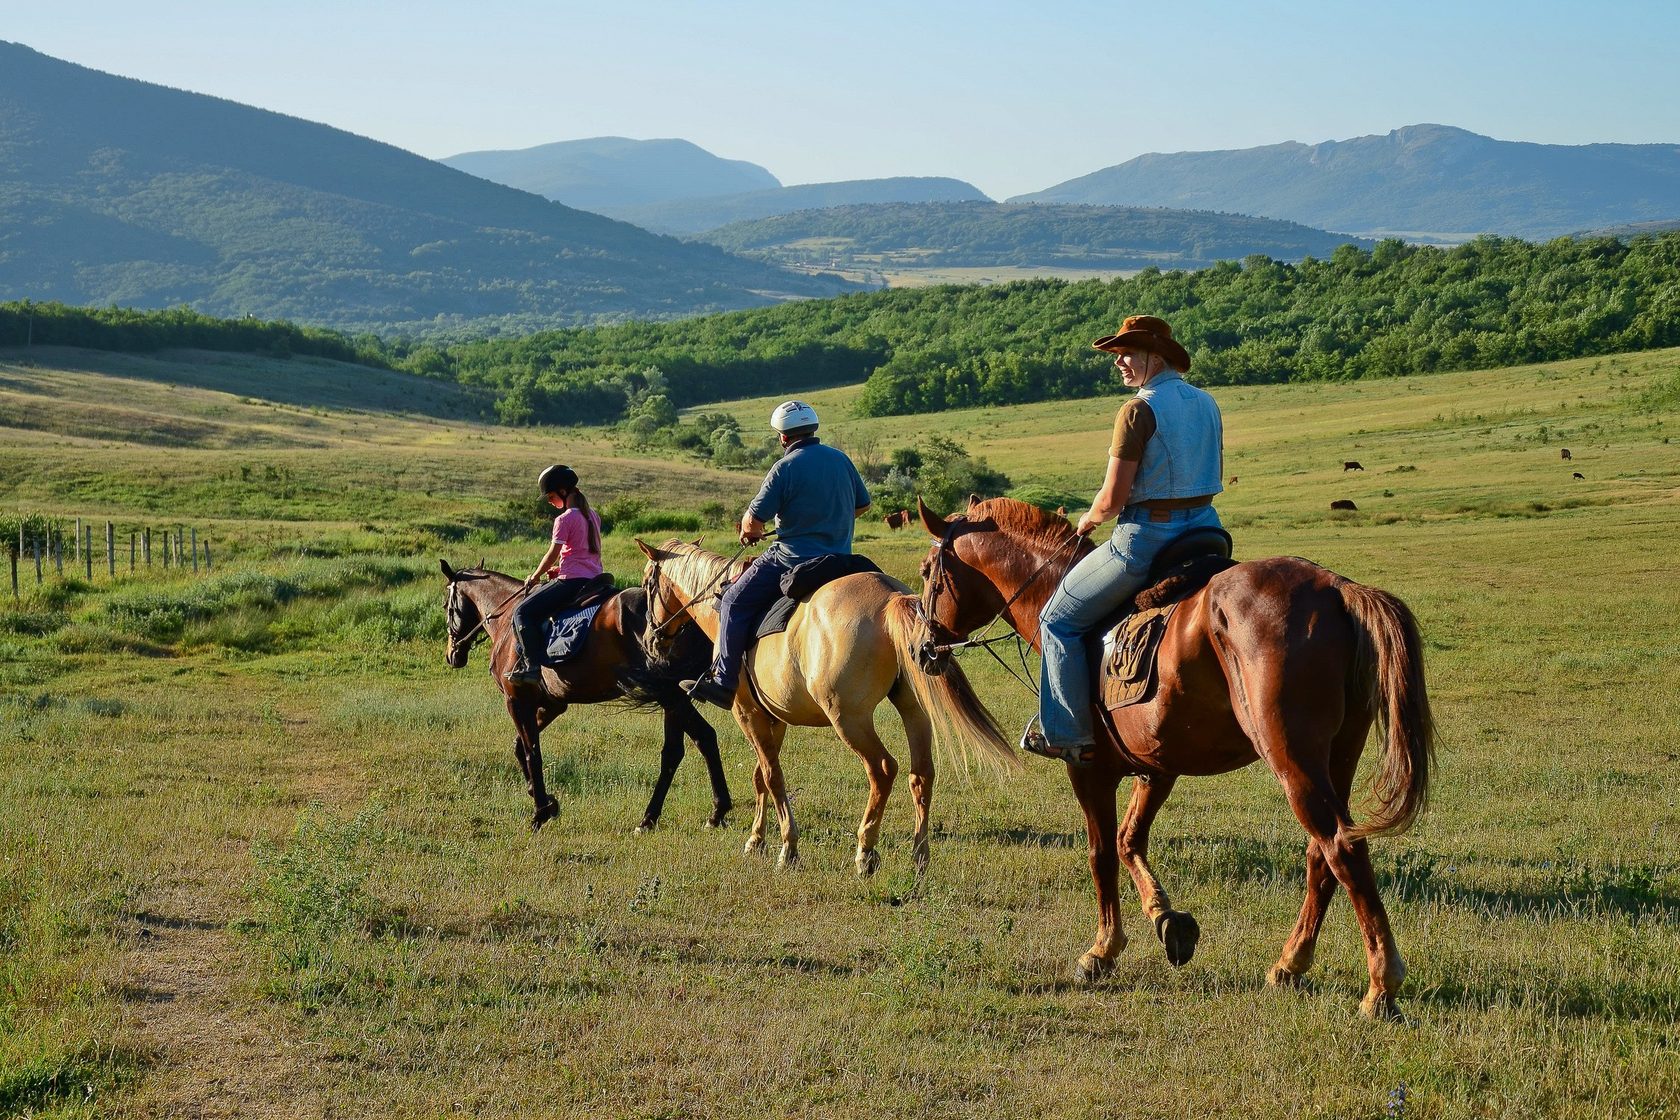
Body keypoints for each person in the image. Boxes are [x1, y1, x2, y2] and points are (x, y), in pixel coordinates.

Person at [1023, 315, 1224, 765]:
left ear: (1156, 355)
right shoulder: (1207, 402)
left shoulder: (1138, 409)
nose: (1119, 362)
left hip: (1147, 538)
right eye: (1116, 355)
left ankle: (1065, 733)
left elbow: (1113, 498)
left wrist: (1088, 519)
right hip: (1208, 531)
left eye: (1127, 353)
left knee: (1056, 620)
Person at [681, 401, 872, 707]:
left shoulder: (784, 467)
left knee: (733, 601)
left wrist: (749, 532)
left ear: (783, 437)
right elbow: (863, 505)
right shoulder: (840, 459)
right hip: (840, 557)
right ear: (813, 429)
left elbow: (754, 520)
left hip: (790, 558)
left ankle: (724, 682)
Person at [507, 464, 605, 687]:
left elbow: (553, 553)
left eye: (551, 496)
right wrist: (560, 569)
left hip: (571, 582)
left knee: (522, 612)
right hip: (593, 579)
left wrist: (535, 575)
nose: (550, 502)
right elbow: (584, 553)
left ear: (562, 491)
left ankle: (531, 668)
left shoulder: (564, 519)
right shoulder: (593, 516)